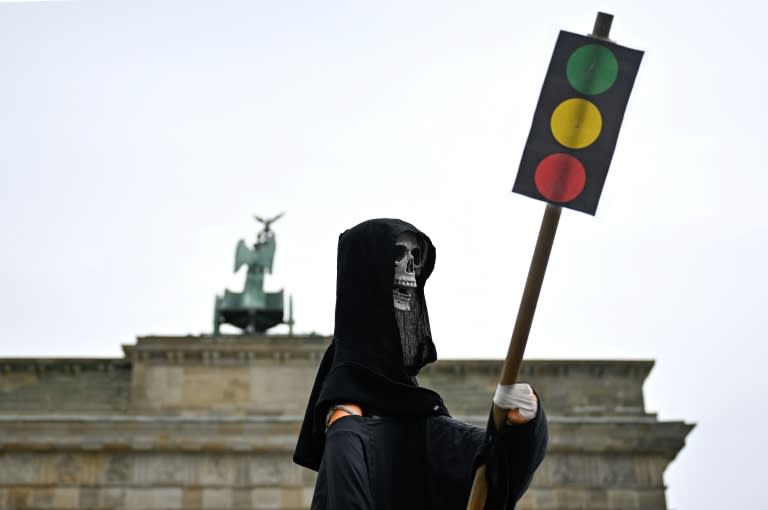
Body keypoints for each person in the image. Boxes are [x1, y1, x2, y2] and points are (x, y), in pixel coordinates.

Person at [294, 218, 547, 510]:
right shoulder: (347, 425)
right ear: (367, 274)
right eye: (398, 255)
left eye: (415, 256)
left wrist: (521, 428)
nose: (410, 267)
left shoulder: (415, 414)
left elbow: (493, 474)